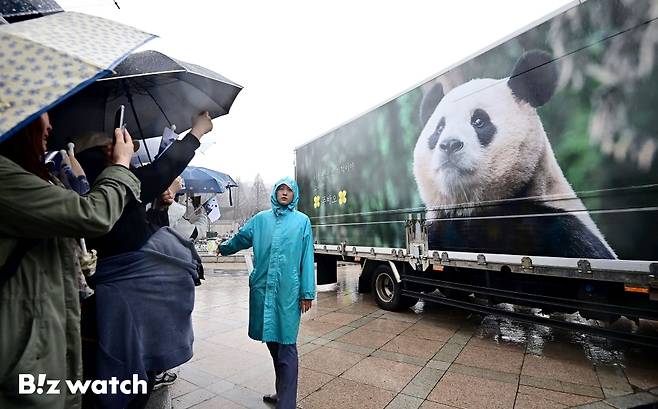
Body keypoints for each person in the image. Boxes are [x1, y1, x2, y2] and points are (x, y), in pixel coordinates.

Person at [0, 112, 140, 409]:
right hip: (21, 352)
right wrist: (121, 164)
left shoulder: (32, 174)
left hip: (43, 337)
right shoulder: (5, 178)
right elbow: (93, 215)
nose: (50, 125)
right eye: (41, 116)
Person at [218, 177, 315, 409]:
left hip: (287, 292)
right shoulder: (260, 220)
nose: (284, 193)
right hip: (263, 289)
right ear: (274, 192)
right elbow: (241, 238)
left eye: (288, 190)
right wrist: (224, 248)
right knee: (273, 343)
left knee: (287, 345)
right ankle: (281, 392)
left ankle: (287, 403)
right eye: (280, 189)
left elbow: (306, 257)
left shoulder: (302, 222)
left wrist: (307, 291)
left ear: (295, 195)